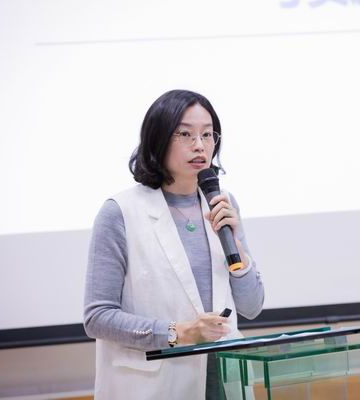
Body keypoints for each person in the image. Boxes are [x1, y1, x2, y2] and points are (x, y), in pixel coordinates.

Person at [83, 89, 265, 399]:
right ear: (159, 139)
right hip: (156, 384)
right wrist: (179, 333)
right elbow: (97, 317)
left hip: (223, 378)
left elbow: (251, 307)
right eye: (185, 134)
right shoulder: (121, 212)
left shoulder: (222, 203)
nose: (200, 145)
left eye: (207, 134)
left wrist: (236, 245)